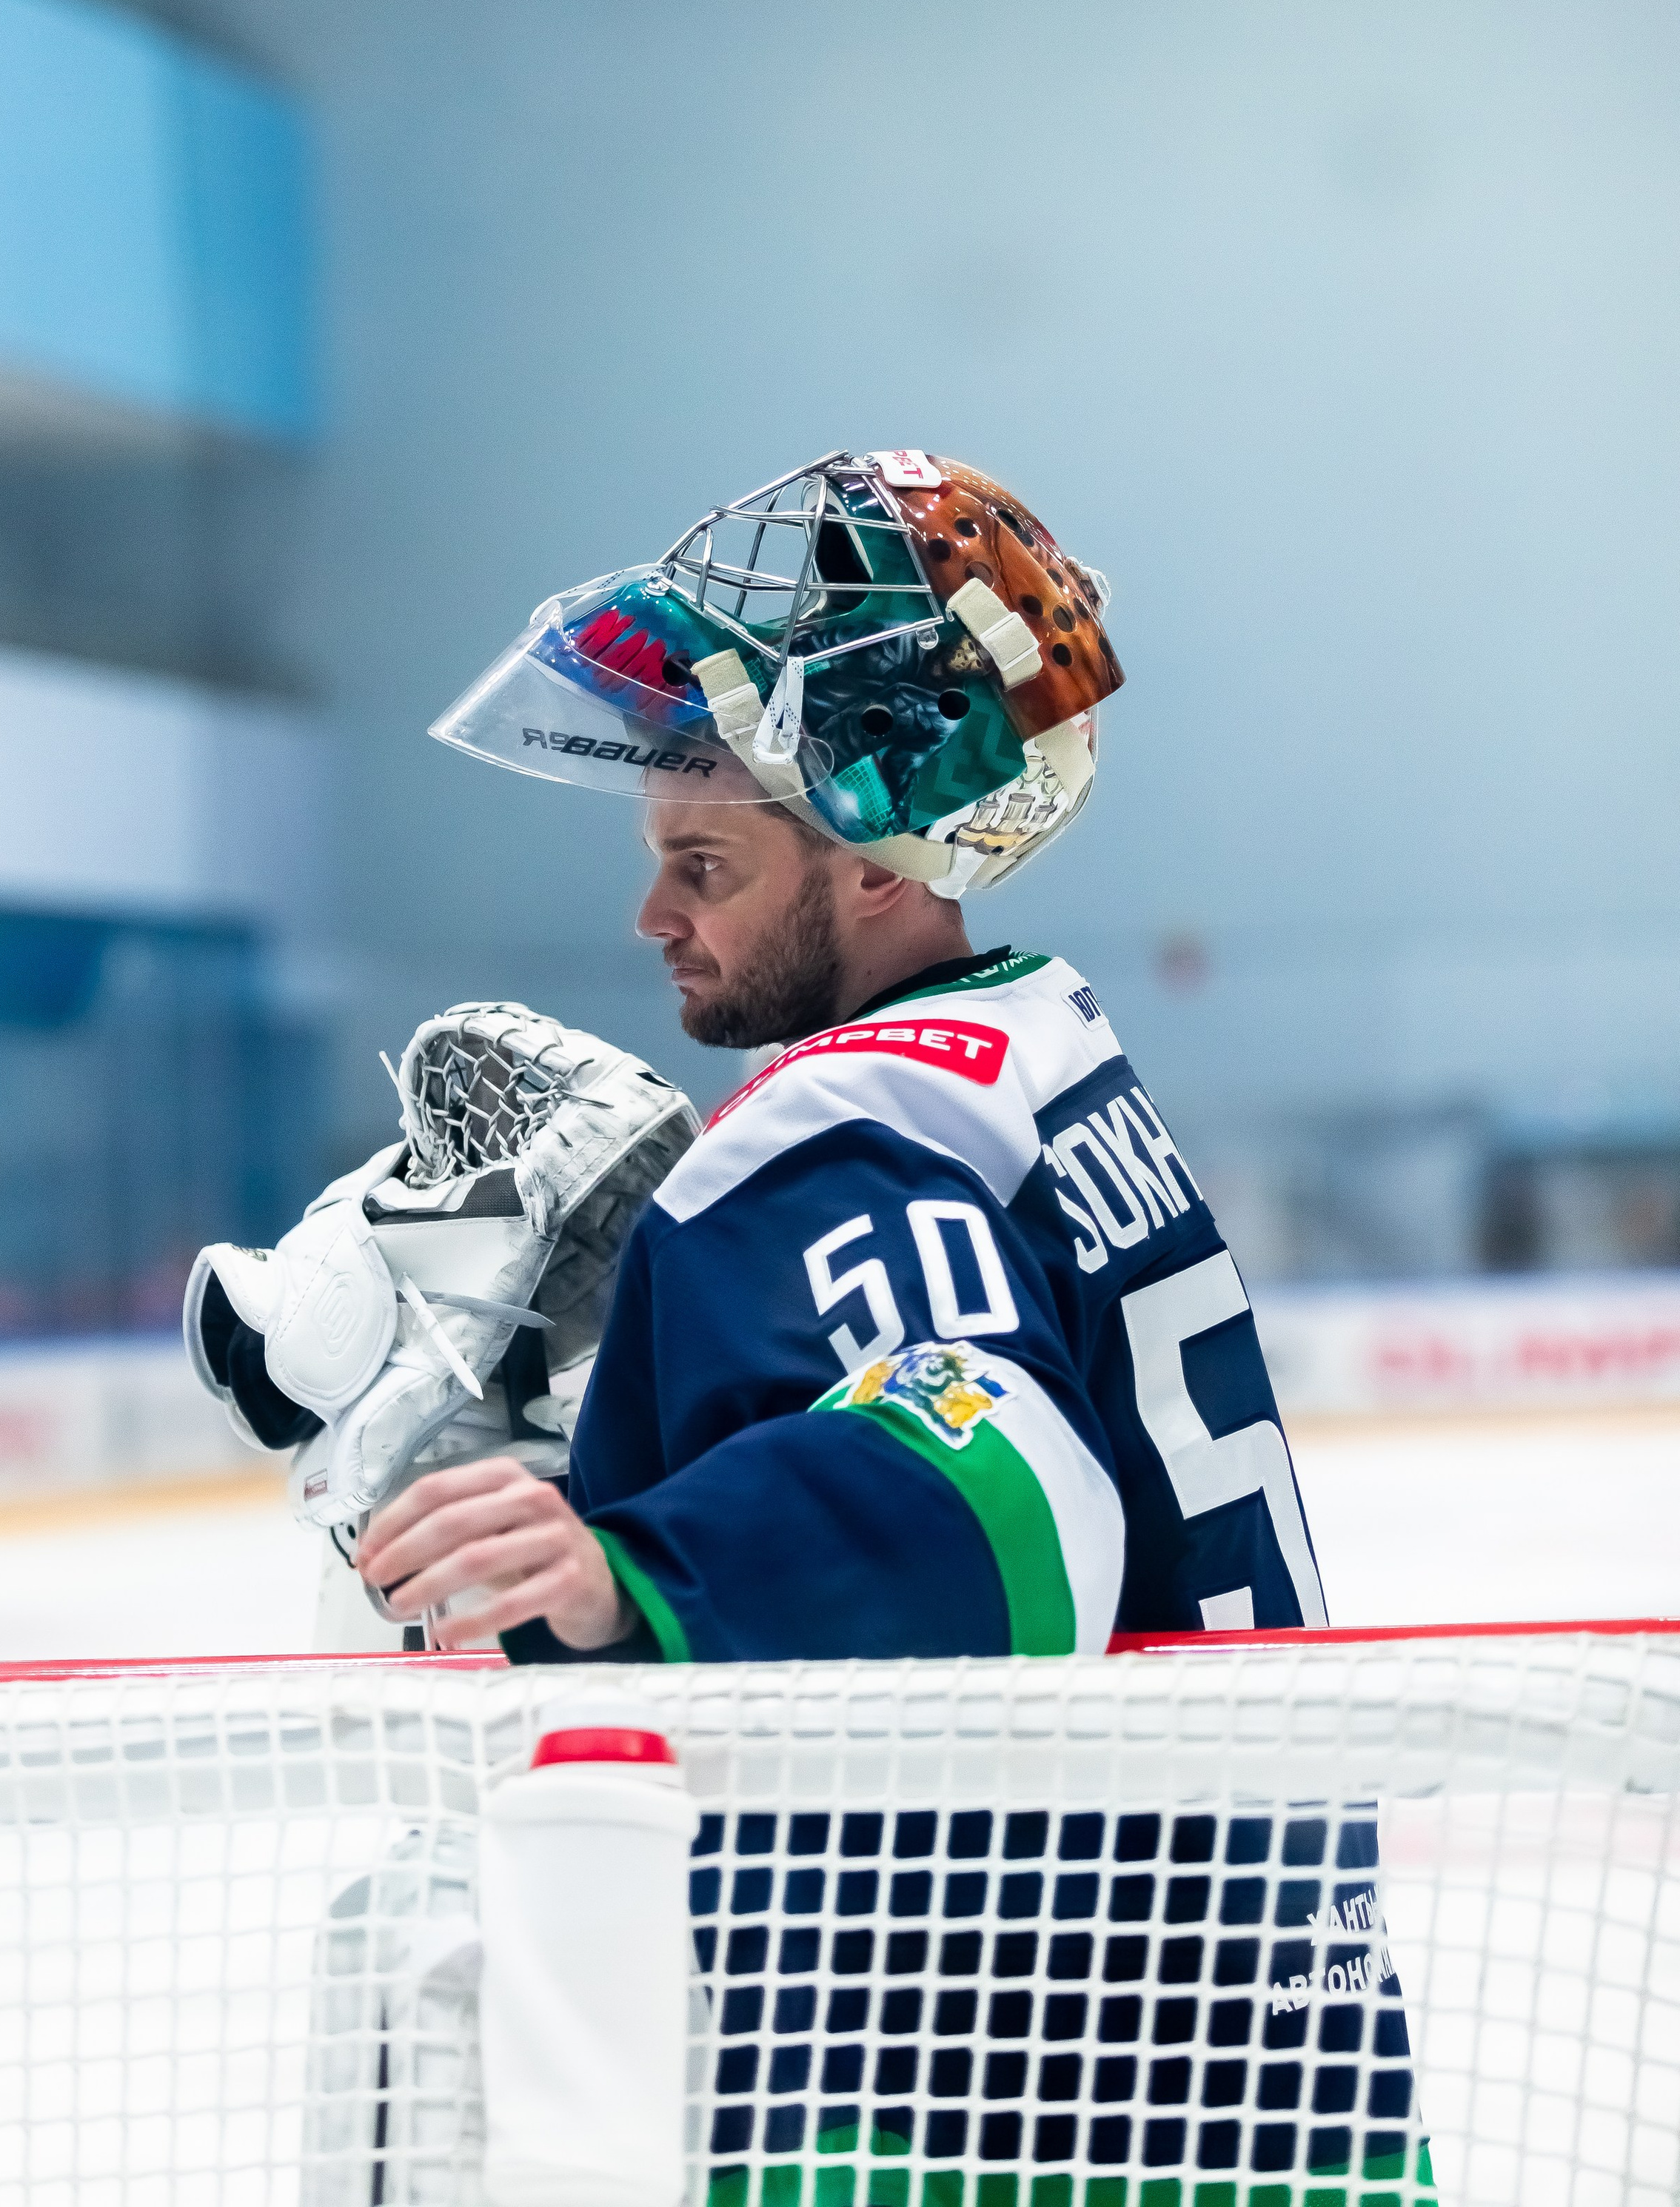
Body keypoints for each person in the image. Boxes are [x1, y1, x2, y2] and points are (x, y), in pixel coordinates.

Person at [351, 446, 1328, 1666]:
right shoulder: (1032, 1038)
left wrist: (636, 1579)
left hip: (1062, 1800)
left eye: (705, 867)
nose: (652, 918)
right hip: (1231, 1777)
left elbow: (1010, 1493)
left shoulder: (841, 1128)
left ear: (873, 869)